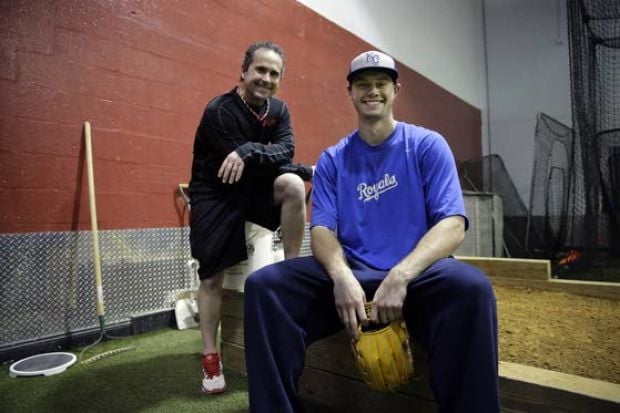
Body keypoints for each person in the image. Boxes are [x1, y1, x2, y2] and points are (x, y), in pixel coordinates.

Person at [243, 50, 500, 412]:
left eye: (381, 83)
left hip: (416, 279)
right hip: (353, 282)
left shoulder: (427, 145)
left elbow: (453, 225)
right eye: (363, 84)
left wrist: (402, 274)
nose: (372, 91)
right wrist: (341, 275)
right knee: (264, 287)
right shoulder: (334, 159)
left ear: (396, 90)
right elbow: (322, 231)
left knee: (472, 289)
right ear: (350, 92)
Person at [188, 40, 312, 394]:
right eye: (260, 69)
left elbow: (284, 151)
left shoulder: (279, 110)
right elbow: (264, 162)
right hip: (216, 193)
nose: (266, 78)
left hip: (252, 187)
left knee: (290, 184)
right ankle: (210, 356)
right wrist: (302, 167)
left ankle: (291, 271)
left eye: (274, 73)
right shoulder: (220, 111)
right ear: (243, 72)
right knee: (212, 280)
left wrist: (250, 151)